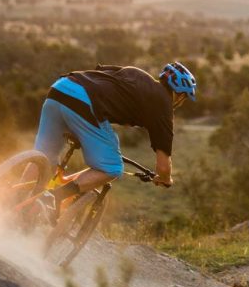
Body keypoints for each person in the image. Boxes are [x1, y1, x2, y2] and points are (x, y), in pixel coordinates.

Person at [32, 61, 196, 217]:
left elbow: (100, 74)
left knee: (44, 158)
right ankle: (54, 197)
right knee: (113, 167)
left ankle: (15, 199)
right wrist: (165, 179)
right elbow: (163, 167)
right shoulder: (163, 107)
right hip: (84, 103)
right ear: (180, 95)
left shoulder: (136, 73)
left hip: (60, 88)